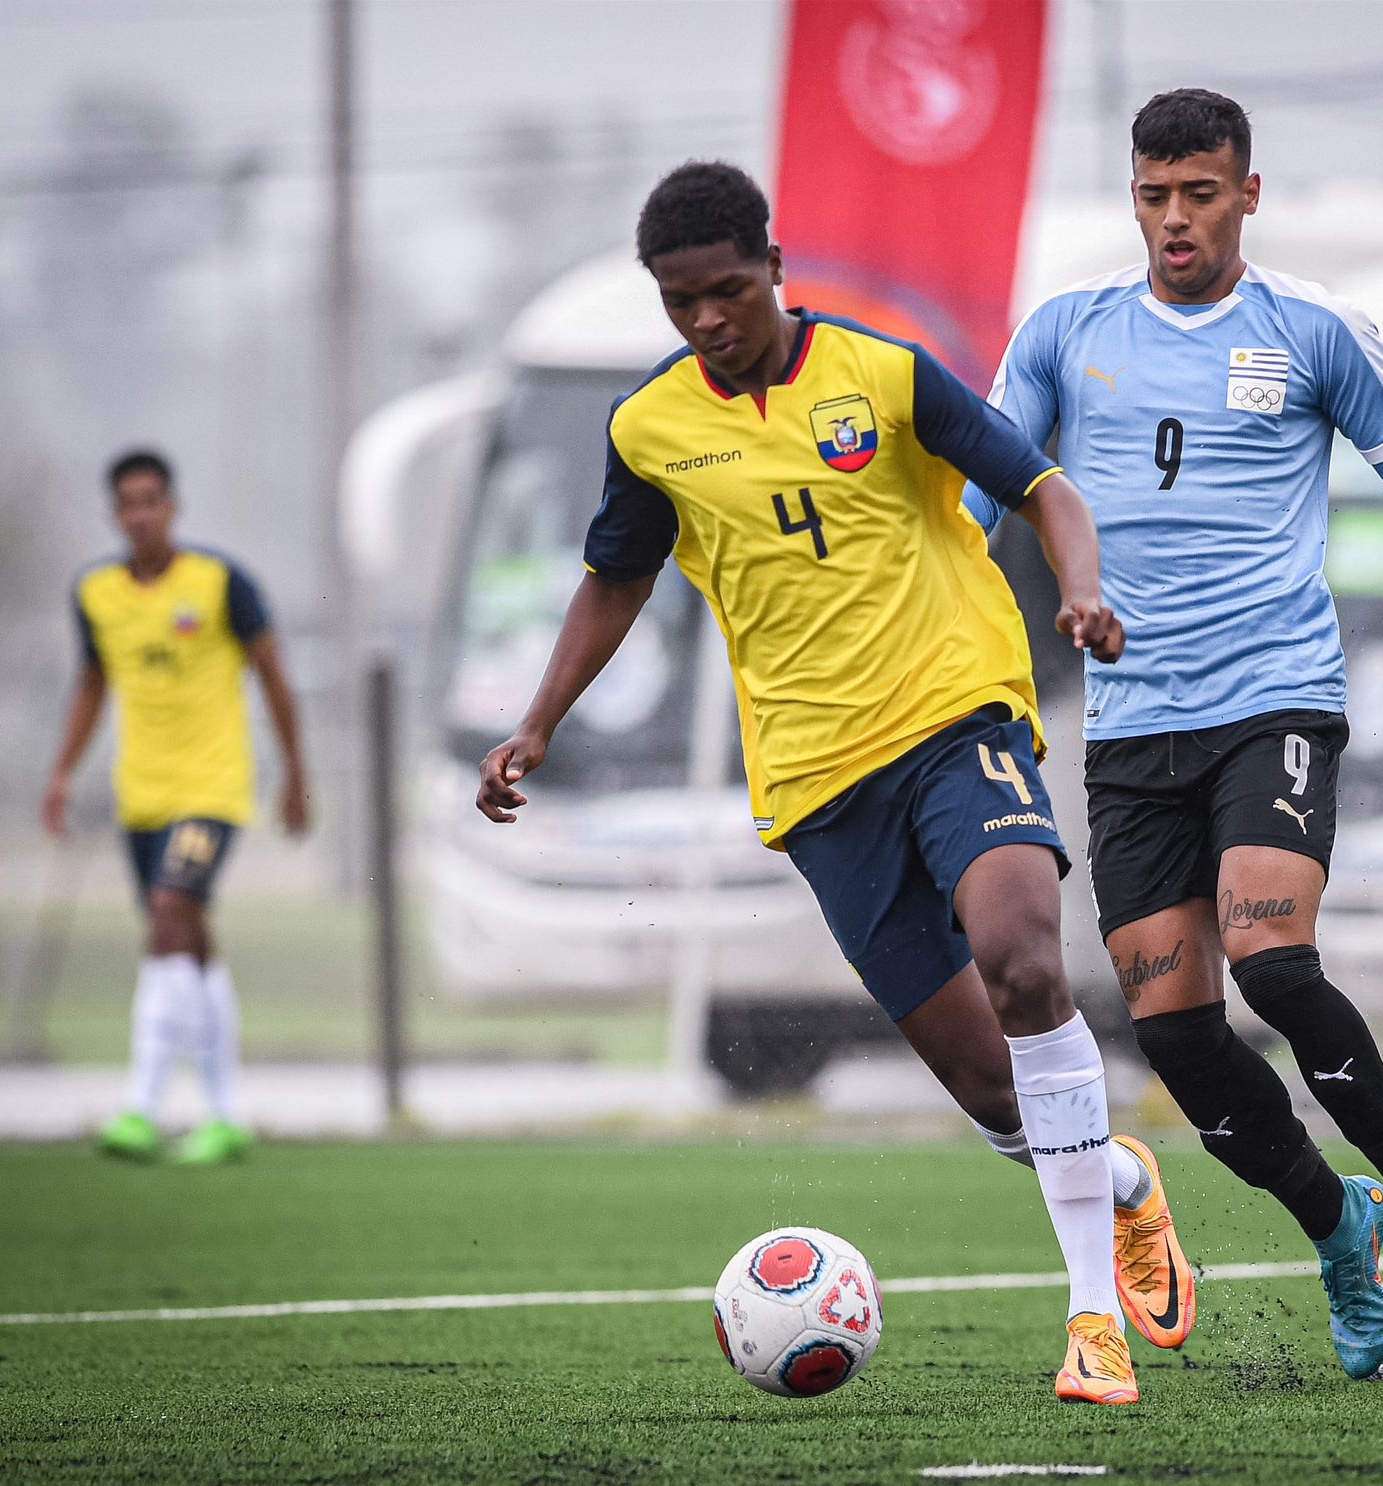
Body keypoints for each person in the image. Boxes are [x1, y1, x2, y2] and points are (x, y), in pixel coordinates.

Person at [476, 161, 1192, 1406]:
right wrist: (535, 721)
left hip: (955, 710)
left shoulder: (884, 374)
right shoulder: (648, 430)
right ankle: (1122, 1185)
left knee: (1024, 957)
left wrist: (1080, 590)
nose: (708, 318)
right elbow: (613, 579)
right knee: (989, 1087)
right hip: (816, 786)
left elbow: (1044, 486)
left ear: (774, 267)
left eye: (727, 289)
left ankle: (1091, 1320)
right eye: (679, 301)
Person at [965, 90, 1383, 1379]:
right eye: (1152, 196)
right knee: (1175, 1031)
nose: (1172, 221)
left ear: (1245, 195)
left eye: (1197, 194)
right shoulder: (1063, 332)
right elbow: (980, 506)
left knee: (1271, 963)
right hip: (1133, 730)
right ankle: (1337, 1226)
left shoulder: (1312, 329)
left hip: (1274, 698)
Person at [44, 450, 309, 1165]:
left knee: (168, 908)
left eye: (152, 500)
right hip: (143, 797)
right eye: (128, 503)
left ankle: (142, 1107)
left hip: (214, 790)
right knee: (187, 938)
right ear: (115, 514)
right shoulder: (96, 592)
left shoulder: (221, 583)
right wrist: (63, 773)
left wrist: (296, 775)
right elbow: (92, 684)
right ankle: (225, 1116)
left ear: (173, 506)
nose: (141, 514)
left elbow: (276, 679)